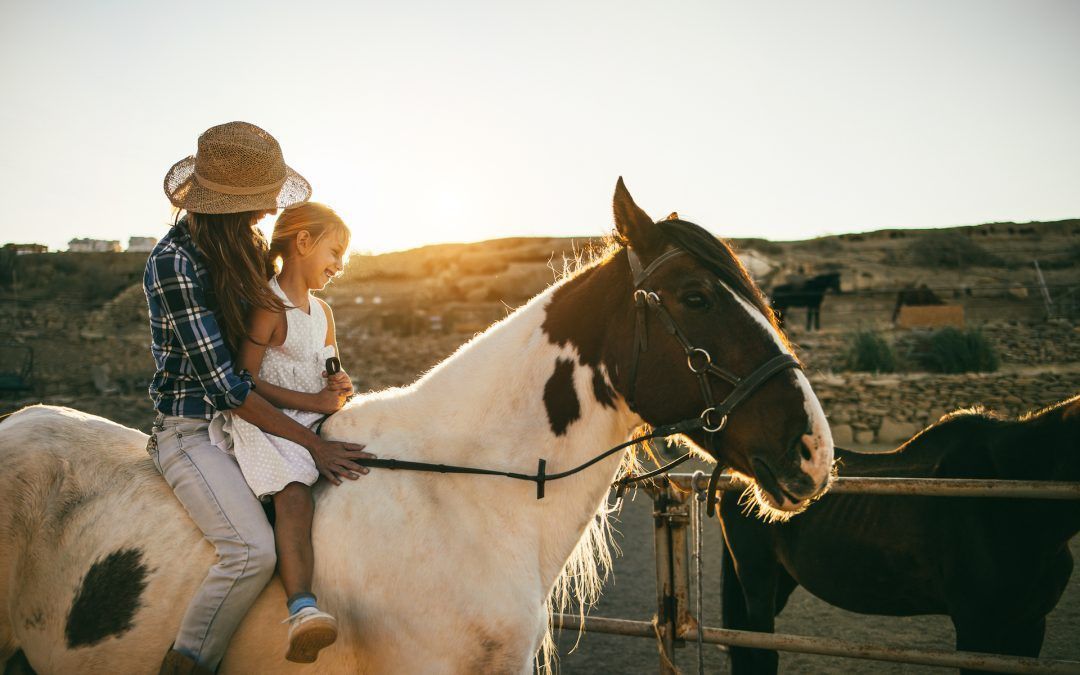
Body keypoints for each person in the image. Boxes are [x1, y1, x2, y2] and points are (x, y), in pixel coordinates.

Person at [144, 121, 373, 675]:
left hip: (263, 413)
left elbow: (285, 319)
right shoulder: (174, 263)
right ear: (221, 203)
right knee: (250, 552)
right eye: (253, 204)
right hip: (196, 425)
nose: (263, 216)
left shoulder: (243, 247)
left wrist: (327, 384)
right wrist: (313, 440)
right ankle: (187, 664)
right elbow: (228, 387)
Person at [209, 202, 354, 663]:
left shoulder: (323, 312)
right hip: (267, 424)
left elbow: (328, 368)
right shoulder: (269, 307)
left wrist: (340, 385)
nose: (340, 264)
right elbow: (244, 381)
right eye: (335, 251)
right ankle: (302, 608)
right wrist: (314, 403)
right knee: (294, 494)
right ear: (303, 243)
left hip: (313, 420)